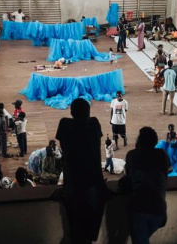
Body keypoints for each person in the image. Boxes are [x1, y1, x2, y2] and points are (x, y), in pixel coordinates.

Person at [55, 98, 108, 243]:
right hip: (94, 185)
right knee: (88, 232)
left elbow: (64, 146)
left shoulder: (65, 124)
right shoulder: (94, 124)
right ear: (89, 112)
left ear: (71, 112)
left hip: (73, 185)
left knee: (75, 230)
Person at [125, 127, 172, 244]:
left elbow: (128, 177)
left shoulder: (132, 155)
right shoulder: (162, 154)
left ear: (139, 141)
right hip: (159, 209)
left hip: (139, 207)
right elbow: (168, 171)